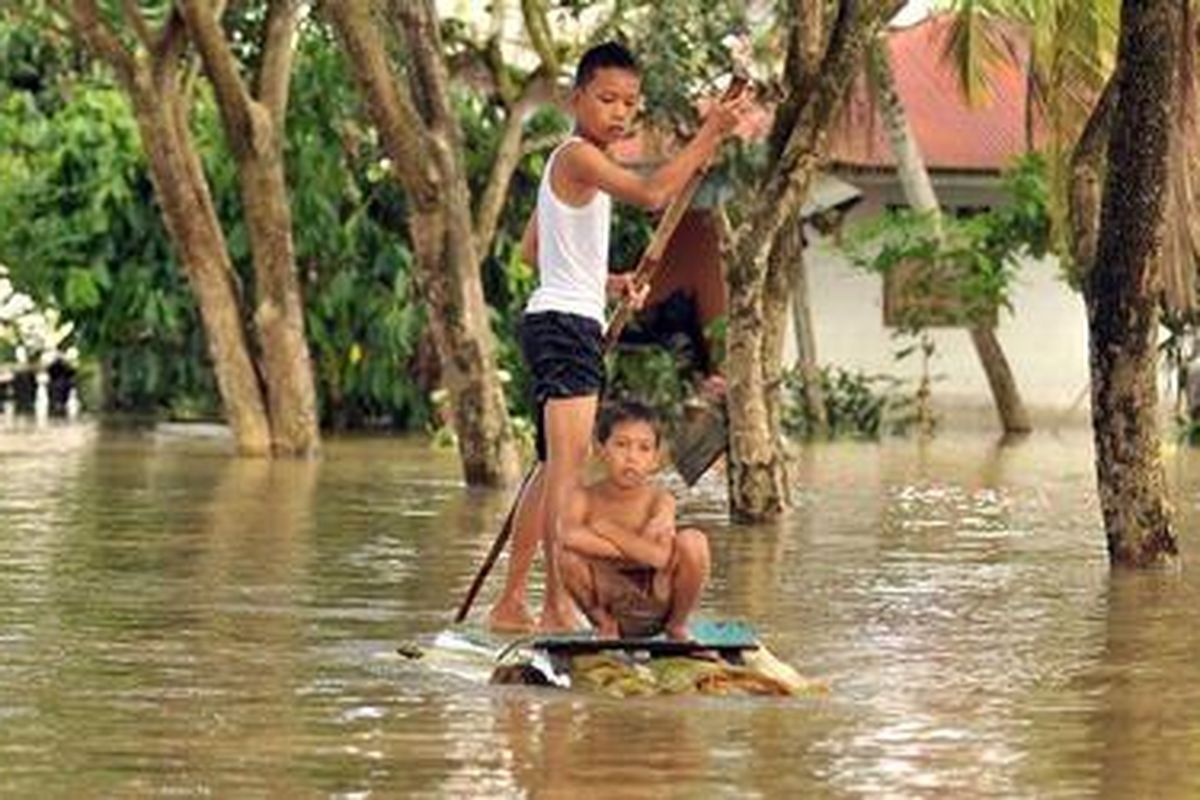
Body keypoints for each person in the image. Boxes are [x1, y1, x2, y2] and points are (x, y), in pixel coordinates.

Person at [487, 41, 748, 632]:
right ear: (576, 98)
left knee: (555, 469)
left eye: (630, 103)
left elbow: (536, 251)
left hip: (563, 320)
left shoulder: (572, 165)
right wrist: (710, 133)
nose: (619, 112)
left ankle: (509, 603)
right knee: (570, 476)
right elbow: (656, 194)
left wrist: (609, 283)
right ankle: (554, 606)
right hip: (563, 329)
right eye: (606, 99)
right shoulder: (578, 157)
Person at [558, 400, 711, 640]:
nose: (631, 457)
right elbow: (569, 537)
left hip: (659, 600)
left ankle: (677, 625)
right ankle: (604, 624)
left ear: (655, 460)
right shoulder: (584, 498)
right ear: (601, 449)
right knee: (566, 557)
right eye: (621, 445)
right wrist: (636, 549)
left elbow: (660, 557)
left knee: (694, 541)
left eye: (644, 448)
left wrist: (608, 531)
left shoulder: (660, 499)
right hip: (612, 600)